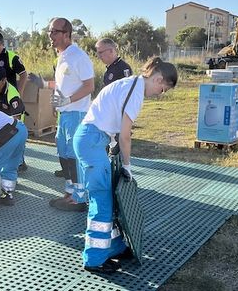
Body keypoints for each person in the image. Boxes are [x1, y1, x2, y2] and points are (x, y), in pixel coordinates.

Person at [75, 56, 177, 274]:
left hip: (93, 138)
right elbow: (126, 136)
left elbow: (108, 117)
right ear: (159, 79)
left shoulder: (130, 84)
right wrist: (127, 165)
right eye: (163, 89)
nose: (161, 94)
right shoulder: (135, 92)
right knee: (101, 200)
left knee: (109, 197)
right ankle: (94, 259)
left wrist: (113, 148)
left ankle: (114, 247)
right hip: (92, 141)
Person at [47, 18, 95, 212]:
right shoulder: (62, 56)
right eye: (49, 31)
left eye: (55, 32)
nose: (51, 35)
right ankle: (70, 192)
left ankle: (80, 198)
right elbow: (63, 85)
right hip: (64, 114)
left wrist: (68, 101)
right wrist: (54, 96)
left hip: (76, 113)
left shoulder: (78, 56)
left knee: (74, 156)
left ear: (67, 34)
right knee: (64, 154)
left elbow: (89, 86)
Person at [0, 65, 28, 172]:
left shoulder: (13, 95)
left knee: (14, 143)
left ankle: (20, 163)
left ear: (4, 80)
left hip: (15, 123)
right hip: (1, 118)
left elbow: (16, 123)